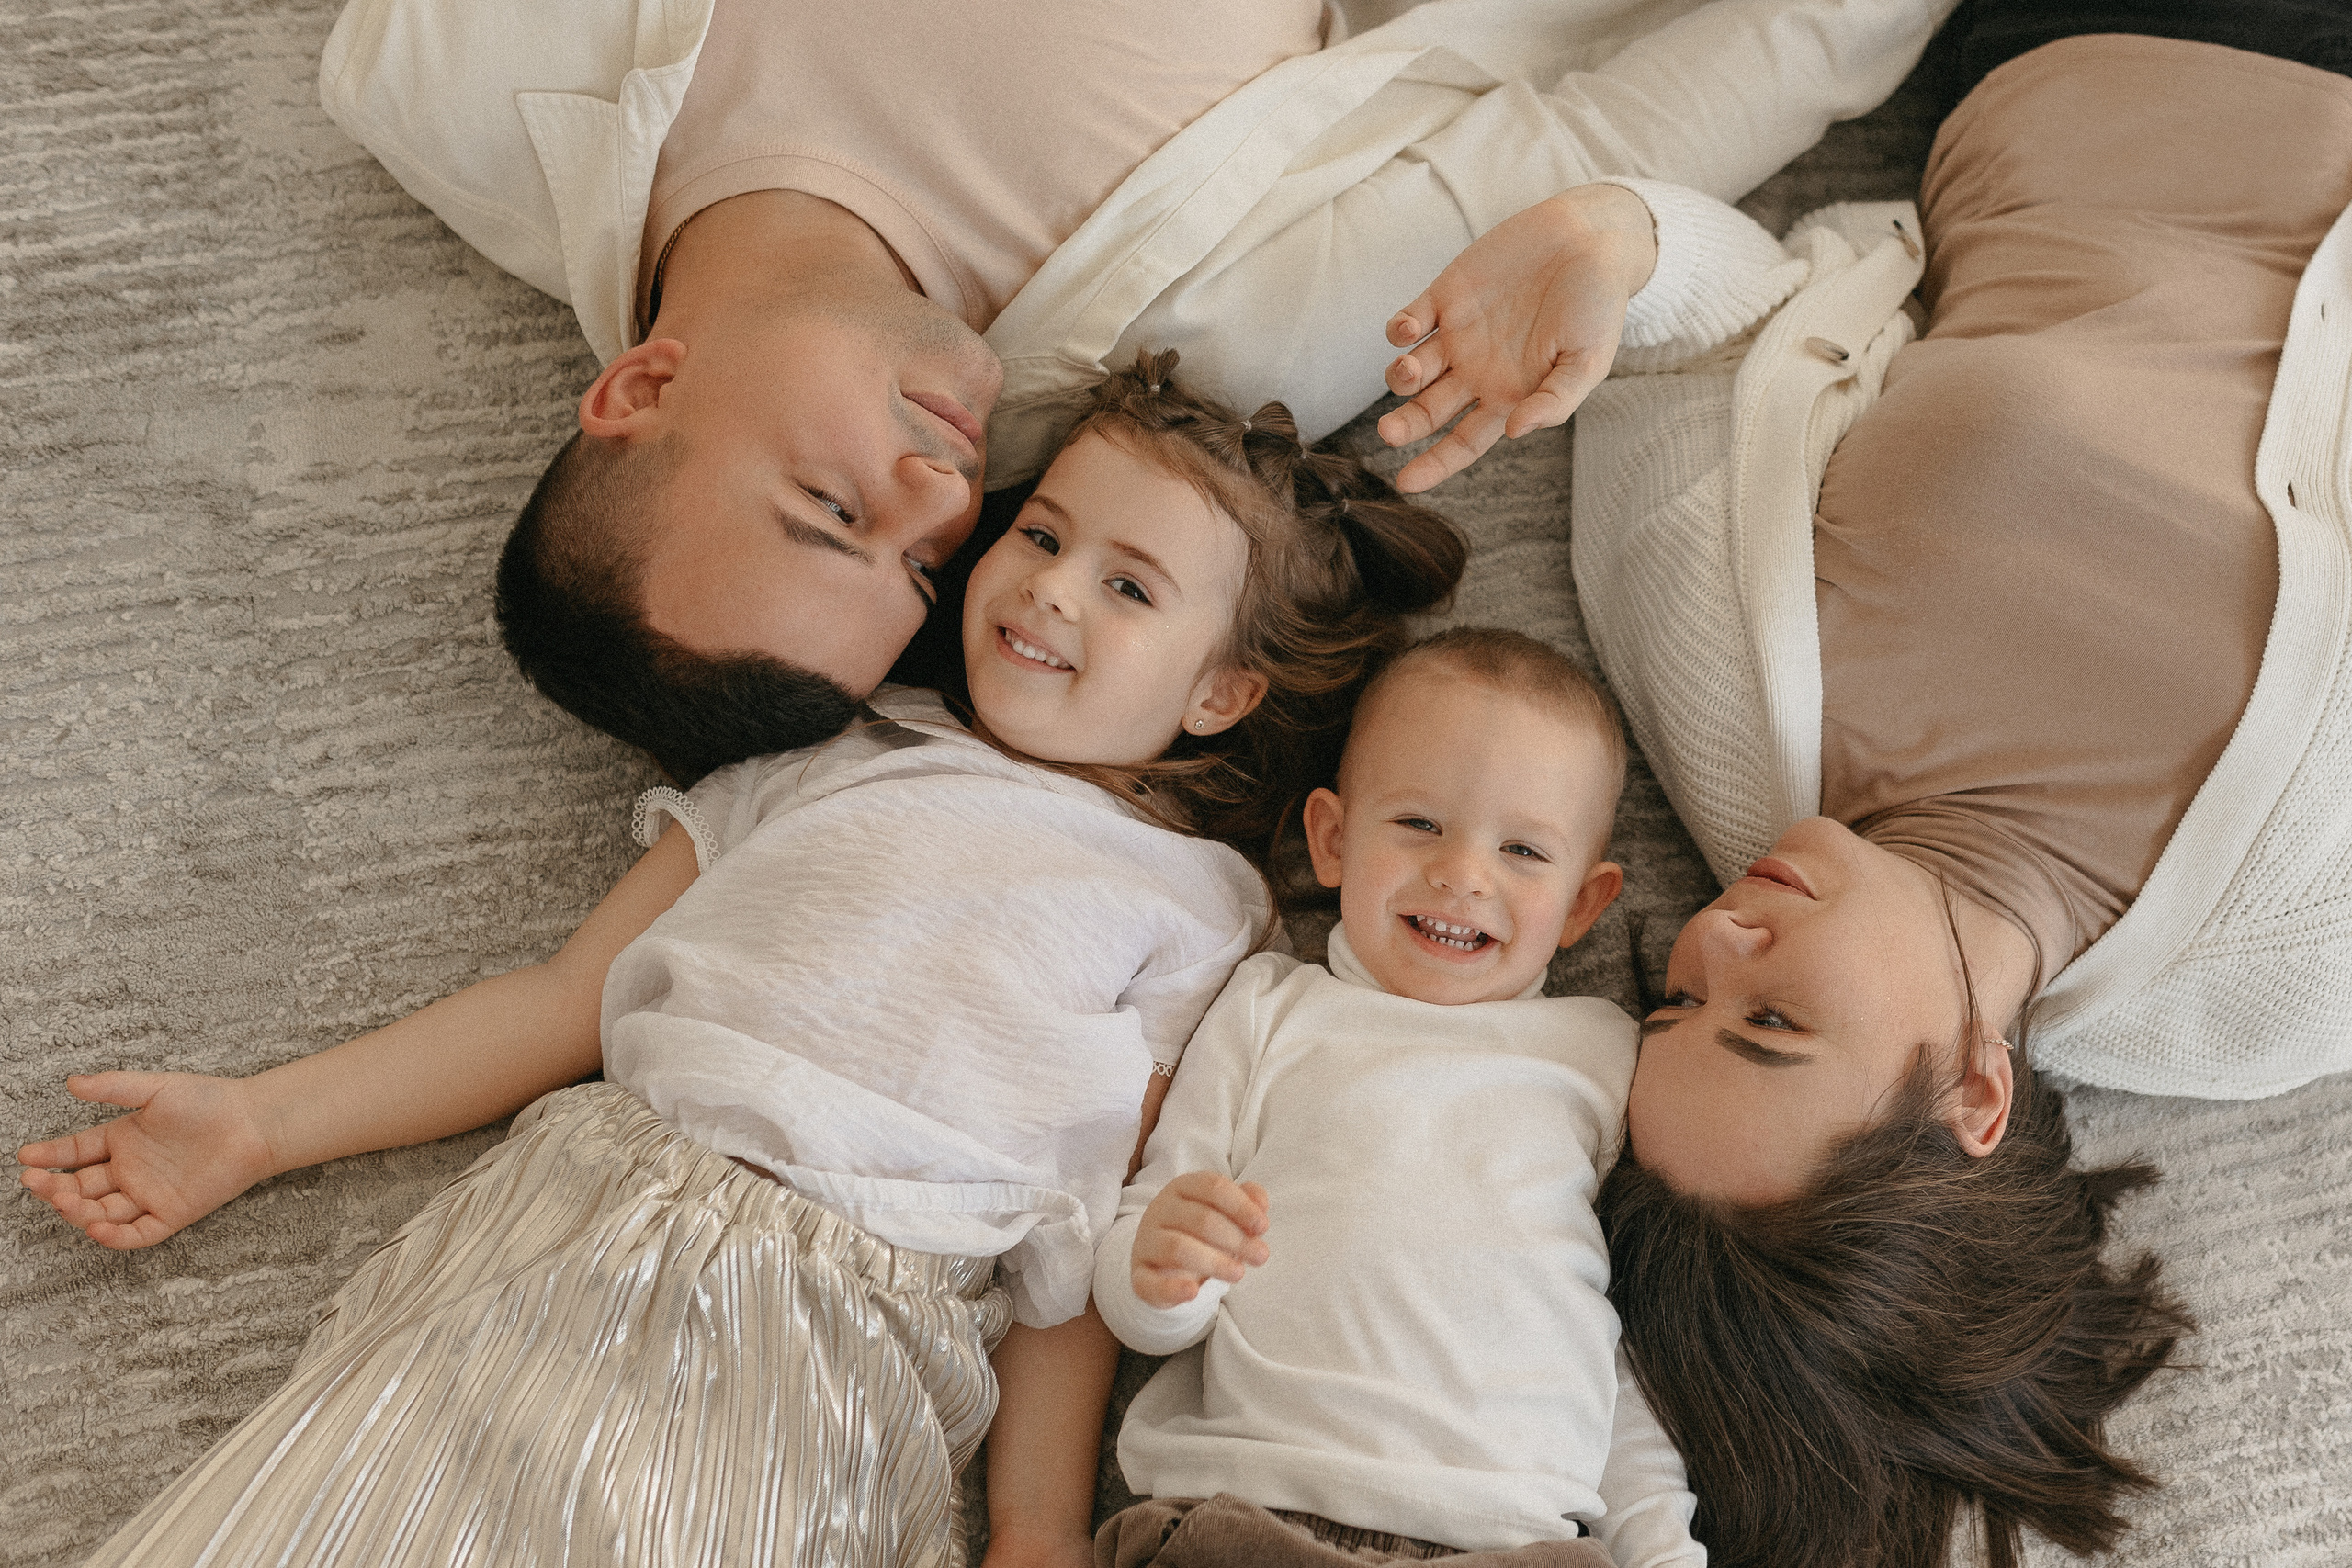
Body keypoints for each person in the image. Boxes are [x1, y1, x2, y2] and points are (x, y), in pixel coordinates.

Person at [16, 355, 1464, 1568]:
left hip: (852, 1329)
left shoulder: (1203, 908)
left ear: (1224, 689)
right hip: (588, 1226)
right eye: (1042, 536)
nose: (1051, 589)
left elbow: (1073, 1249)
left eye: (1130, 584)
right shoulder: (825, 750)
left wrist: (1033, 1531)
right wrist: (262, 1123)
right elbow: (565, 997)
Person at [1370, 4, 2352, 1564]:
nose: (1710, 948)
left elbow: (1713, 323)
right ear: (1976, 1093)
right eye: (1769, 1020)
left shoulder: (1718, 700)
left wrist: (1607, 240)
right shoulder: (2298, 956)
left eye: (1677, 1006)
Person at [317, 0, 1960, 781]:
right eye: (914, 570)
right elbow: (1645, 125)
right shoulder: (1190, 360)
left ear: (640, 386)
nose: (943, 501)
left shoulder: (458, 74)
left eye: (831, 508)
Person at [1090, 629, 1701, 1568]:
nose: (1463, 873)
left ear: (1584, 904)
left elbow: (1630, 1346)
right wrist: (1161, 1272)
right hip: (1251, 1511)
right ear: (1333, 840)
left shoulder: (1606, 1057)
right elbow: (1142, 1253)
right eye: (1419, 824)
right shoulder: (1268, 1007)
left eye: (1524, 850)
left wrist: (1659, 1543)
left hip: (1514, 1535)